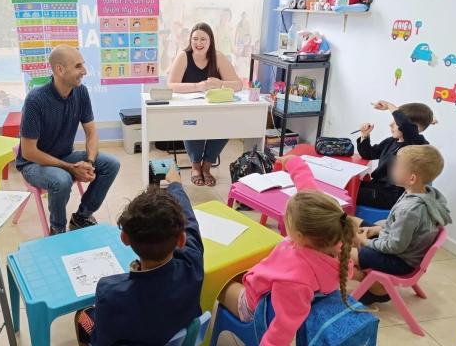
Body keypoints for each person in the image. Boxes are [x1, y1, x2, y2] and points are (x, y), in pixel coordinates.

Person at [218, 155, 356, 346]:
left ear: (299, 236)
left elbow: (283, 328)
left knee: (219, 284)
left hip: (253, 305)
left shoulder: (294, 280)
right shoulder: (331, 234)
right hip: (274, 286)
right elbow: (307, 184)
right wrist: (293, 162)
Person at [74, 165, 204, 345]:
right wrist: (175, 185)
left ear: (124, 238)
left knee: (83, 316)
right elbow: (190, 222)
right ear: (181, 240)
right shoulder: (193, 263)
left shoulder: (110, 292)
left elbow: (101, 342)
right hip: (172, 332)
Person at [17, 45, 120, 235]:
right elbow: (28, 152)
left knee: (111, 164)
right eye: (78, 66)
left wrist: (89, 161)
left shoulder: (81, 92)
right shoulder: (35, 100)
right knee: (62, 180)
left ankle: (82, 216)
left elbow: (91, 133)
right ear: (59, 70)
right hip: (33, 164)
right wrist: (70, 167)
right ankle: (58, 230)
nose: (85, 71)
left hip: (64, 156)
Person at [352, 145, 451, 304]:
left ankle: (377, 290)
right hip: (399, 248)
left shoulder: (410, 210)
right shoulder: (423, 192)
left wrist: (366, 242)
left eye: (397, 165)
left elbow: (394, 246)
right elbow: (400, 228)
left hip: (399, 261)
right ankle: (362, 266)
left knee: (343, 252)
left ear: (412, 178)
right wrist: (377, 229)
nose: (392, 167)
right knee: (351, 222)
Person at [167, 22, 243, 187]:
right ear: (190, 40)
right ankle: (195, 167)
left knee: (226, 126)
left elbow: (238, 84)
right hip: (191, 110)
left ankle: (207, 166)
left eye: (203, 39)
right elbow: (171, 85)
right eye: (195, 39)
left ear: (210, 42)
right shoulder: (183, 57)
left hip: (215, 110)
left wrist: (221, 84)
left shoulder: (218, 57)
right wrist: (197, 86)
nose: (198, 43)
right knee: (193, 125)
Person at [357, 100, 434, 209]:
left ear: (414, 128)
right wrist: (364, 136)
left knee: (351, 193)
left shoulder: (417, 145)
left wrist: (389, 106)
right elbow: (368, 154)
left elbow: (405, 125)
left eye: (395, 122)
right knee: (350, 186)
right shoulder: (391, 141)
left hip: (391, 196)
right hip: (377, 187)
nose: (390, 124)